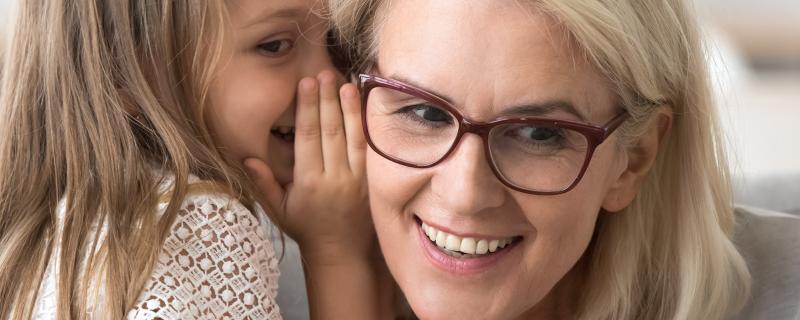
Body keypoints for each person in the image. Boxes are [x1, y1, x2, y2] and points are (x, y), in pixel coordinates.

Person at [330, 0, 800, 318]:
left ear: (634, 158)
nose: (465, 195)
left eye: (538, 134)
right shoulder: (292, 281)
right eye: (424, 112)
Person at [0, 0, 380, 318]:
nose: (333, 78)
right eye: (275, 46)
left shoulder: (53, 237)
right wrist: (336, 251)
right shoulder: (198, 224)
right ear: (124, 73)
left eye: (334, 41)